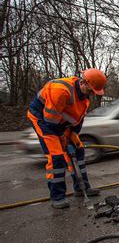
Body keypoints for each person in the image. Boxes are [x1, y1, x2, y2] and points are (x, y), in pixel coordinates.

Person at [27, 68, 107, 209]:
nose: (91, 95)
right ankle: (57, 197)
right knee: (57, 157)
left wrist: (73, 134)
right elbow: (50, 121)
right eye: (91, 91)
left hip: (62, 124)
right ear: (83, 83)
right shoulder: (61, 91)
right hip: (43, 120)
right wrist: (62, 139)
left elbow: (78, 120)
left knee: (78, 150)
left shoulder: (84, 99)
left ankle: (82, 188)